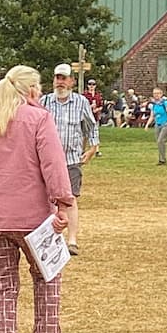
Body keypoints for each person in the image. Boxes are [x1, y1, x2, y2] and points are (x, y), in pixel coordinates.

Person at [0, 66, 74, 333]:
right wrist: (63, 202)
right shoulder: (38, 118)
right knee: (47, 276)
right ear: (30, 91)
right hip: (32, 217)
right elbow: (53, 164)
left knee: (1, 287)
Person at [41, 64, 99, 255]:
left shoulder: (81, 102)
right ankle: (48, 240)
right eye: (57, 78)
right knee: (46, 200)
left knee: (70, 199)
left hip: (72, 159)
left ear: (72, 81)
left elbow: (91, 126)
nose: (60, 82)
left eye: (64, 78)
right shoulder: (45, 101)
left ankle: (72, 240)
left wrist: (93, 147)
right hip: (47, 161)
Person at [149, 86, 167, 165]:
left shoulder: (165, 103)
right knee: (159, 143)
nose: (156, 95)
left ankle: (162, 159)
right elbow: (152, 115)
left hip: (166, 124)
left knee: (160, 140)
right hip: (158, 124)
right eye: (154, 93)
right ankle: (161, 159)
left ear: (161, 94)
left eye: (158, 93)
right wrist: (147, 124)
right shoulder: (154, 104)